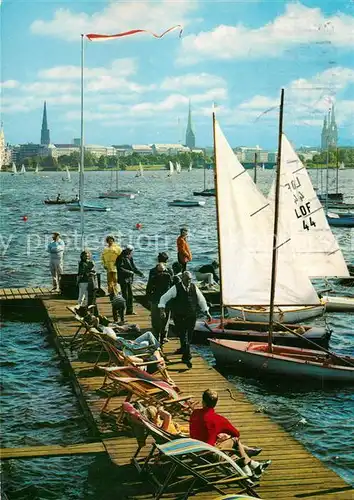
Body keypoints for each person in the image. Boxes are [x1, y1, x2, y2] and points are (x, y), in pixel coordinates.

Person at [190, 389, 270, 479]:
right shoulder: (218, 419)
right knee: (235, 440)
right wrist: (225, 436)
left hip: (194, 450)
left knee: (231, 449)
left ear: (203, 401)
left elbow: (203, 431)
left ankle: (254, 465)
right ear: (215, 403)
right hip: (209, 454)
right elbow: (236, 433)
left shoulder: (194, 413)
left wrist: (216, 436)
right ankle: (249, 469)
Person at [158, 271, 212, 368]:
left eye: (190, 279)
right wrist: (162, 310)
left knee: (189, 336)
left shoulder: (194, 287)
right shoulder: (175, 288)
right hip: (179, 316)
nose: (189, 281)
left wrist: (206, 311)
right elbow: (163, 298)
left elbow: (201, 300)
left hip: (191, 315)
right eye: (187, 279)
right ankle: (187, 357)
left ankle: (184, 349)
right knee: (183, 335)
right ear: (182, 279)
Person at [146, 263, 173, 343]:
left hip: (161, 300)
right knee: (159, 319)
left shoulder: (158, 277)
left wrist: (149, 298)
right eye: (160, 271)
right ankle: (160, 336)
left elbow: (149, 288)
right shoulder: (165, 276)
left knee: (161, 318)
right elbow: (149, 289)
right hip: (159, 300)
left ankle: (161, 336)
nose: (162, 273)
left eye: (163, 271)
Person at [116, 245, 144, 315]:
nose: (130, 252)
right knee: (125, 295)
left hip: (129, 279)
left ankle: (130, 311)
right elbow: (120, 268)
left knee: (130, 295)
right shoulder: (120, 257)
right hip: (123, 278)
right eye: (129, 250)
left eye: (131, 251)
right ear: (126, 250)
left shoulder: (130, 257)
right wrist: (129, 272)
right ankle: (121, 311)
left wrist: (140, 273)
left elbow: (133, 267)